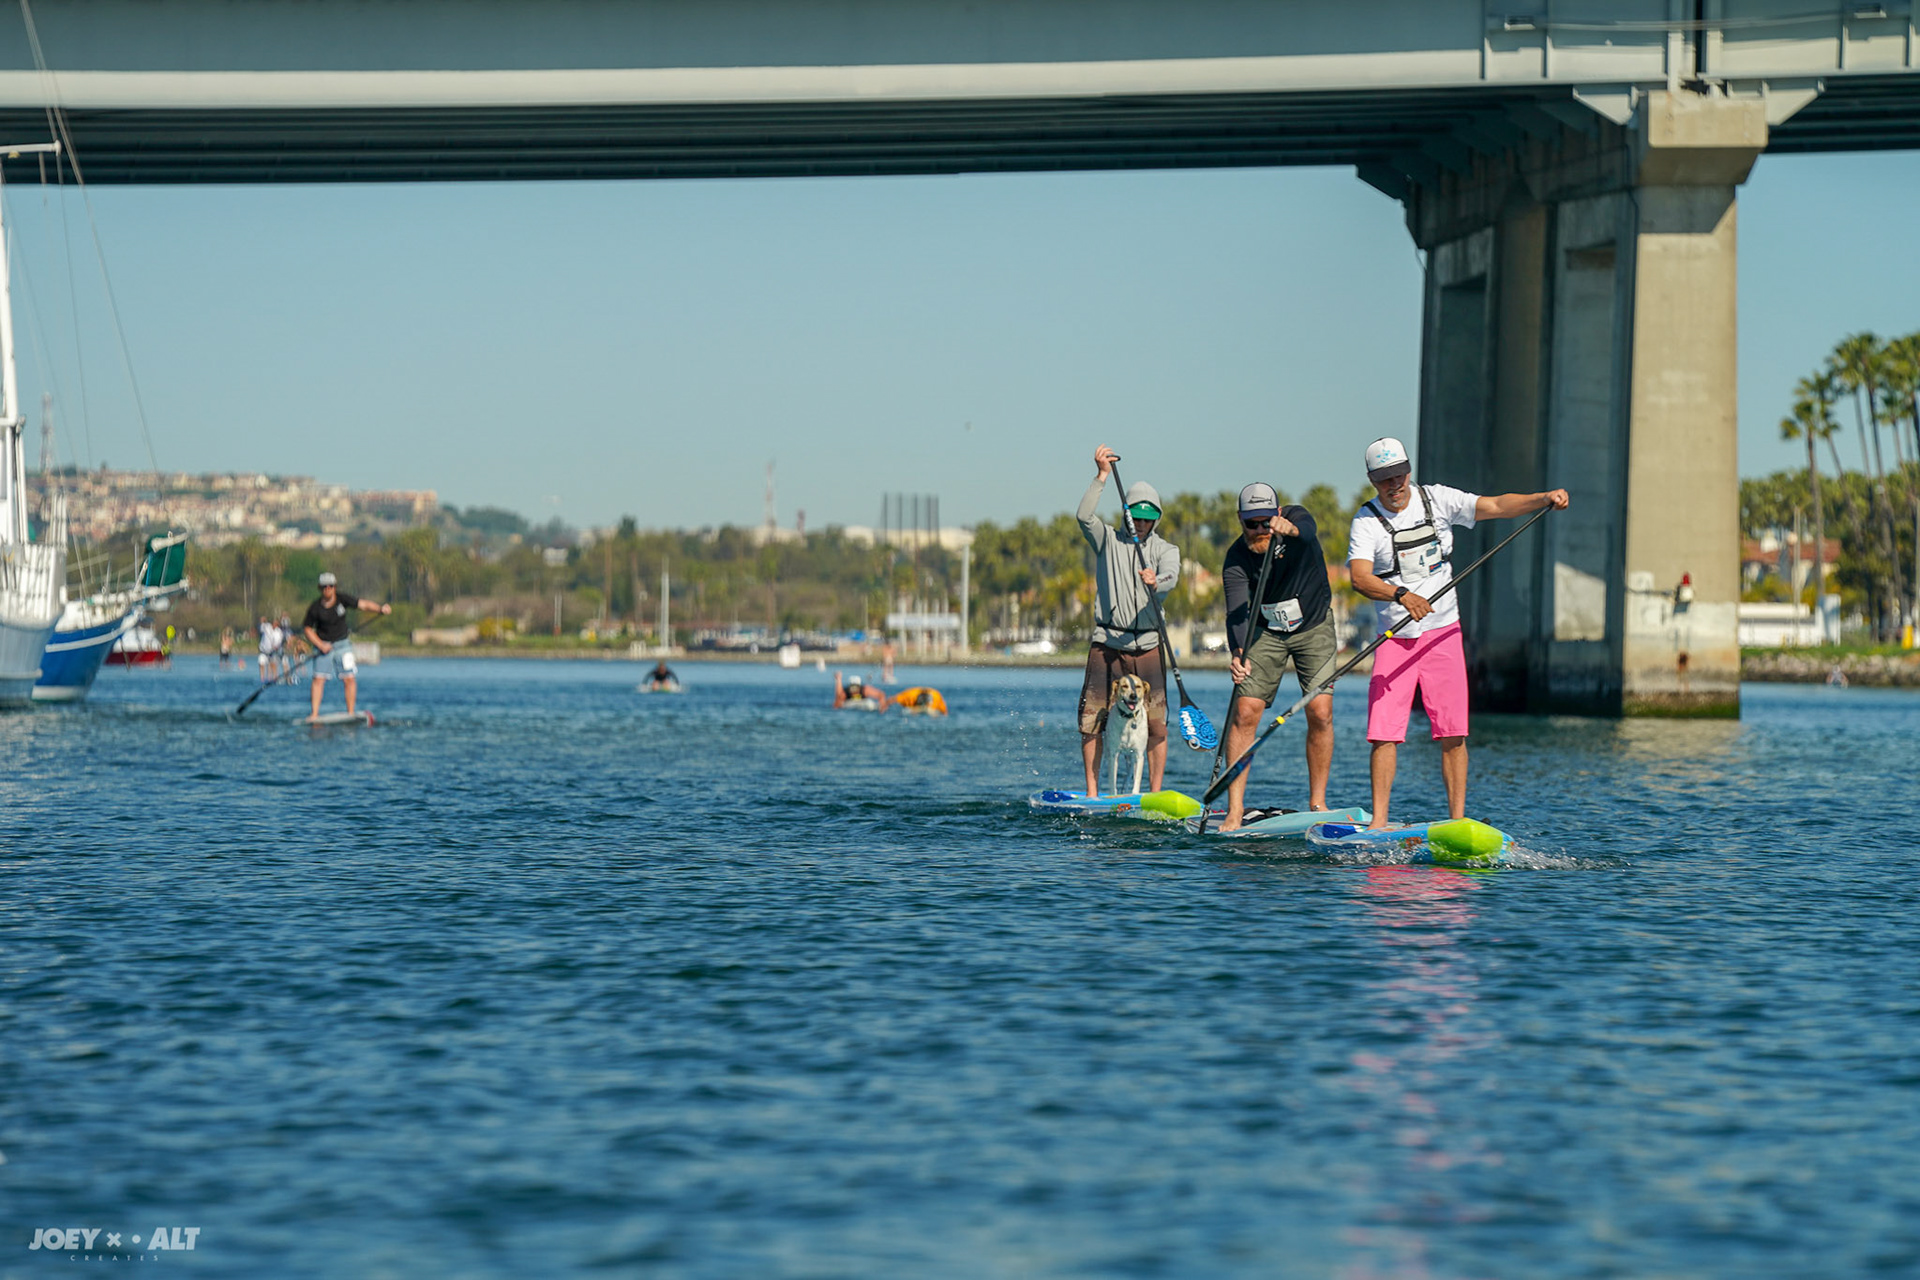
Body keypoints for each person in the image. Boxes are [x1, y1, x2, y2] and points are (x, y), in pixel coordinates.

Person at [1346, 437, 1568, 828]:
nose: (1393, 486)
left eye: (1398, 475)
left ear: (1408, 471)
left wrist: (1542, 498)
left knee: (1453, 732)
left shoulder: (1437, 499)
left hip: (1443, 634)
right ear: (1371, 481)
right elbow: (1360, 577)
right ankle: (1379, 823)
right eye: (1384, 480)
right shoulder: (1366, 521)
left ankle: (1456, 821)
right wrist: (1401, 594)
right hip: (1394, 640)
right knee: (1384, 734)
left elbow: (1497, 505)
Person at [1217, 482, 1338, 830]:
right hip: (1266, 632)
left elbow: (1308, 530)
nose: (1259, 530)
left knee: (1320, 710)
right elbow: (1236, 614)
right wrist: (1238, 653)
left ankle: (1317, 802)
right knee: (1245, 711)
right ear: (1240, 520)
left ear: (1278, 514)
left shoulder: (1296, 520)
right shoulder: (1236, 559)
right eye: (1250, 523)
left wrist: (1293, 530)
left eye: (1265, 522)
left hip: (1313, 625)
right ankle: (1235, 809)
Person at [1077, 444, 1180, 796]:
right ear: (1126, 514)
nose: (1143, 523)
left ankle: (1152, 793)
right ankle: (1093, 792)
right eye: (1137, 517)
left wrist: (1157, 581)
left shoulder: (1165, 550)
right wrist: (1102, 476)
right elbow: (1083, 517)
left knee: (1157, 725)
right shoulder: (1106, 539)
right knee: (1092, 720)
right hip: (1107, 644)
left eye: (1150, 518)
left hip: (1149, 644)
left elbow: (1172, 576)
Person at [302, 572, 392, 721]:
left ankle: (350, 713)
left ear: (335, 587)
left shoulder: (343, 599)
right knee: (318, 680)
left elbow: (363, 604)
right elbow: (307, 629)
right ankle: (314, 715)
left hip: (343, 645)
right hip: (323, 648)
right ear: (320, 588)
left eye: (330, 586)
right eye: (324, 587)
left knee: (349, 678)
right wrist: (320, 645)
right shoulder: (315, 608)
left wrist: (380, 609)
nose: (327, 589)